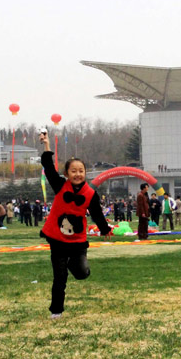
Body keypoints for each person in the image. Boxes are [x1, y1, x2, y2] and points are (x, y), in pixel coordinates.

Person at [39, 132, 111, 319]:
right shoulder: (60, 185)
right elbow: (48, 168)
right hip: (57, 238)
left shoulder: (90, 193)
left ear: (85, 173)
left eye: (81, 171)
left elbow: (96, 213)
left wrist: (105, 229)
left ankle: (75, 266)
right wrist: (47, 145)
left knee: (81, 273)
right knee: (60, 277)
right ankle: (56, 311)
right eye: (73, 171)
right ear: (66, 174)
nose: (78, 174)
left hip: (77, 240)